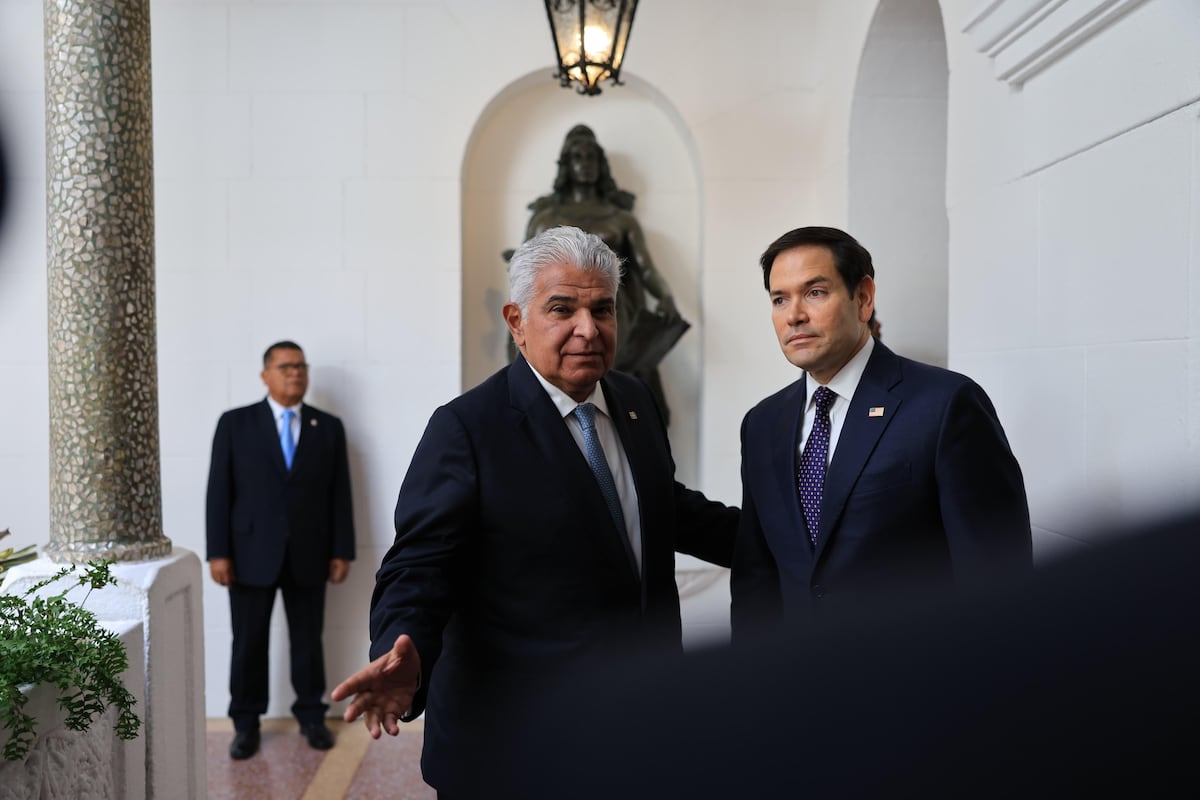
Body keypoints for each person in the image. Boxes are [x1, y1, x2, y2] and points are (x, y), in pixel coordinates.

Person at [332, 225, 737, 797]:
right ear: (516, 321)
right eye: (562, 309)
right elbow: (419, 567)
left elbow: (664, 507)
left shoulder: (635, 400)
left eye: (602, 309)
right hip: (515, 746)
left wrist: (790, 538)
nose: (587, 329)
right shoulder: (466, 429)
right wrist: (404, 649)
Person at [732, 226, 1031, 637]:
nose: (794, 315)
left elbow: (996, 579)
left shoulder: (946, 405)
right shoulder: (762, 424)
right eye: (779, 299)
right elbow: (756, 579)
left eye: (815, 292)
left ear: (863, 298)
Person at [206, 340, 356, 759]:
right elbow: (219, 491)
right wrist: (218, 552)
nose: (296, 373)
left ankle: (311, 716)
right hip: (249, 554)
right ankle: (245, 724)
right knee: (248, 642)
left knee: (308, 640)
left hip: (310, 553)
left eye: (301, 366)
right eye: (286, 367)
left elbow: (340, 493)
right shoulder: (235, 424)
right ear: (265, 375)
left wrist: (342, 550)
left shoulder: (328, 427)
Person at [517, 124, 684, 423]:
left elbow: (646, 269)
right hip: (559, 316)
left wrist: (666, 297)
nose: (586, 164)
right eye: (578, 157)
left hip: (617, 312)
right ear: (567, 165)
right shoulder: (546, 218)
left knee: (621, 393)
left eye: (591, 157)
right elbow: (526, 274)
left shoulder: (621, 219)